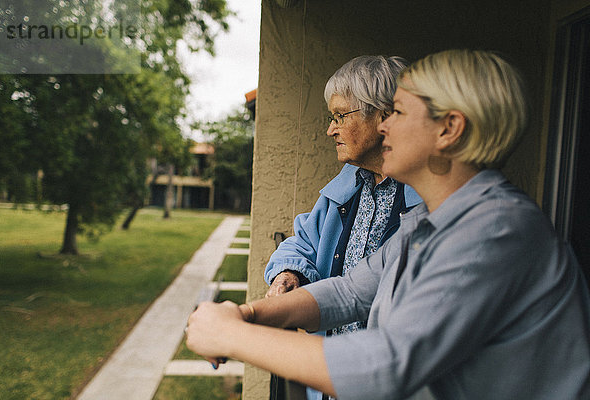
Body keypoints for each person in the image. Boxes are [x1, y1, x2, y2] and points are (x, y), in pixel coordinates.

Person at [185, 49, 590, 399]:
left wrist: (232, 336)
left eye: (396, 111)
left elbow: (389, 365)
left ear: (448, 129)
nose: (384, 125)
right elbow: (350, 292)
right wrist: (249, 314)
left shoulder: (495, 231)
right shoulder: (430, 222)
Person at [265, 54, 421, 400]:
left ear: (384, 115)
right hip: (330, 379)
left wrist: (241, 331)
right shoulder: (348, 183)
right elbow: (303, 240)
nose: (330, 129)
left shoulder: (427, 203)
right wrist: (288, 273)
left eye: (339, 116)